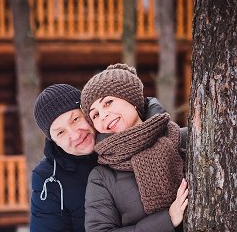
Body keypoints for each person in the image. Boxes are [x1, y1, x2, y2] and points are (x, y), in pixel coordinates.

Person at [30, 83, 168, 232]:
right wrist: (166, 221)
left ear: (88, 114)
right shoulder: (49, 178)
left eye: (75, 119)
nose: (75, 135)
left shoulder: (133, 138)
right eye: (60, 133)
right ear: (54, 142)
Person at [80, 63, 188, 232]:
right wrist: (167, 220)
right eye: (95, 115)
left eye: (108, 103)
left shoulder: (185, 139)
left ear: (132, 100)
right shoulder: (102, 177)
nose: (103, 116)